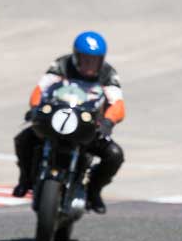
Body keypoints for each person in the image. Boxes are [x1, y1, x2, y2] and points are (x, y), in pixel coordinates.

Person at [12, 31, 126, 214]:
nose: (90, 65)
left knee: (114, 154)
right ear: (76, 56)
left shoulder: (108, 73)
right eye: (85, 59)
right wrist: (35, 108)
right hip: (56, 119)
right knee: (23, 139)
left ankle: (94, 192)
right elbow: (41, 88)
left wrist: (107, 122)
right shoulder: (61, 65)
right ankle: (25, 179)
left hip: (88, 127)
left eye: (94, 60)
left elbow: (118, 103)